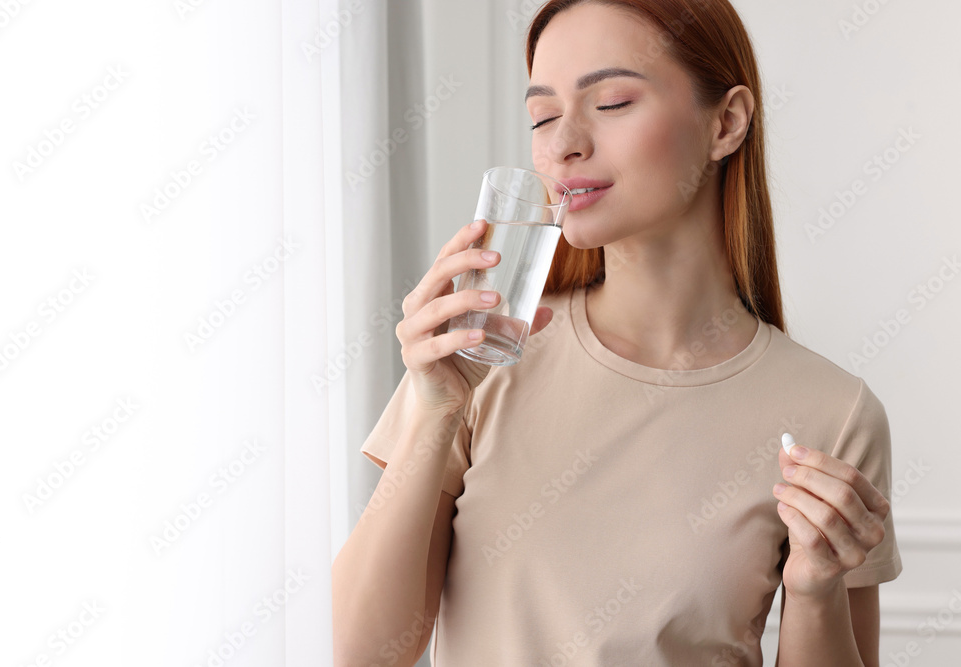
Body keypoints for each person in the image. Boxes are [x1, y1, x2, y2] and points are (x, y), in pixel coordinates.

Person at [332, 1, 902, 665]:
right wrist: (433, 408)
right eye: (542, 116)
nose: (562, 143)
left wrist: (814, 591)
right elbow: (364, 653)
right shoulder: (476, 360)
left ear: (727, 122)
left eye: (611, 102)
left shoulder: (832, 414)